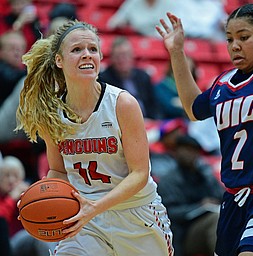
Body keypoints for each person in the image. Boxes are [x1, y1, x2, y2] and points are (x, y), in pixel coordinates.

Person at [156, 0, 253, 255]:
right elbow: (193, 109)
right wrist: (176, 52)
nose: (234, 45)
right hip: (234, 199)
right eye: (229, 39)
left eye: (244, 37)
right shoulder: (222, 84)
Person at [16, 20, 173, 256]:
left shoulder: (122, 103)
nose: (87, 55)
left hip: (137, 215)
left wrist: (96, 207)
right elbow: (59, 171)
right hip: (84, 219)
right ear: (59, 60)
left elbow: (140, 174)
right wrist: (42, 194)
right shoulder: (51, 112)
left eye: (93, 49)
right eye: (77, 50)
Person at [157, 134, 225, 256]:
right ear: (176, 152)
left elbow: (222, 198)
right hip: (183, 233)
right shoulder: (169, 180)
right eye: (186, 149)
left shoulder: (205, 175)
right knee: (215, 219)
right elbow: (169, 213)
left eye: (193, 150)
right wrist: (200, 207)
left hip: (207, 223)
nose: (190, 154)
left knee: (227, 217)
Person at [98, 36, 159, 119]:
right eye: (118, 56)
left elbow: (154, 107)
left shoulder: (143, 76)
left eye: (125, 55)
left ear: (132, 55)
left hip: (148, 122)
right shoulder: (104, 80)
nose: (122, 59)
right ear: (111, 58)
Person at [107, 0, 174, 37]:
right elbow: (112, 23)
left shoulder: (168, 3)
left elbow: (169, 27)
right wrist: (122, 24)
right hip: (137, 38)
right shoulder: (132, 2)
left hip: (161, 40)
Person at [0, 30, 27, 107]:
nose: (17, 53)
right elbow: (10, 78)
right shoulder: (2, 69)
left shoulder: (22, 69)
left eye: (20, 48)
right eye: (12, 48)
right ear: (1, 51)